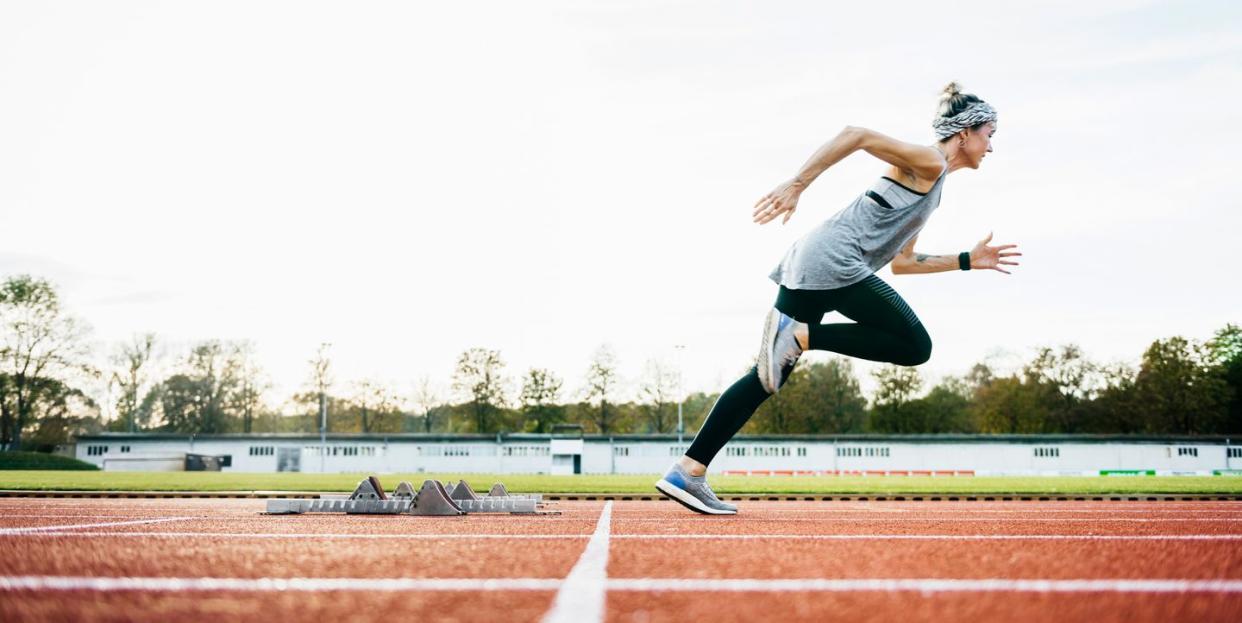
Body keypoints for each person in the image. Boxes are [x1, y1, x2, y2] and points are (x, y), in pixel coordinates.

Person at [655, 82, 1021, 514]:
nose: (991, 146)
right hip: (834, 261)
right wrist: (797, 185)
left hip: (818, 262)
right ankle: (804, 336)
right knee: (915, 345)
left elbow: (903, 262)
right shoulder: (929, 161)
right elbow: (856, 134)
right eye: (989, 135)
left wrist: (964, 260)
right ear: (964, 133)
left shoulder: (934, 186)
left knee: (766, 376)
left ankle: (687, 471)